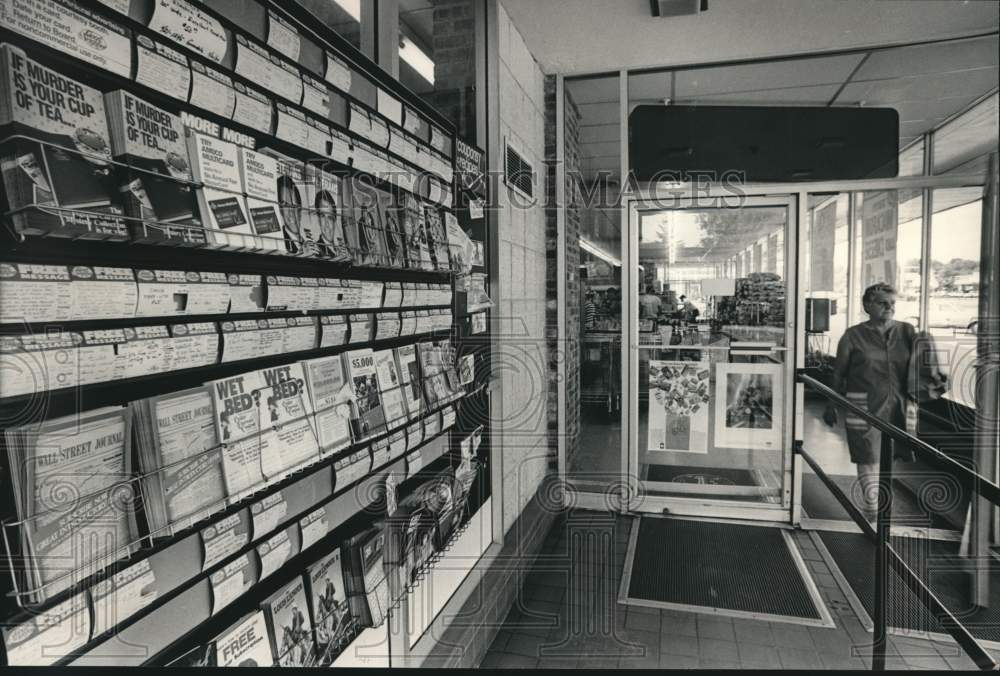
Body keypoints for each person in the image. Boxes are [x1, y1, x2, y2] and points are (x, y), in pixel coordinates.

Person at [823, 282, 916, 522]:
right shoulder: (853, 336)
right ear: (867, 305)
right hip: (861, 403)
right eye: (882, 303)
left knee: (889, 455)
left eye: (892, 303)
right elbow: (838, 373)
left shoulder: (907, 332)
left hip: (899, 405)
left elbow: (921, 367)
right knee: (866, 455)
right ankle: (872, 505)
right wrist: (831, 403)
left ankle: (880, 500)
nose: (889, 307)